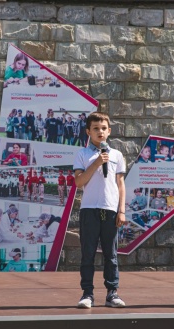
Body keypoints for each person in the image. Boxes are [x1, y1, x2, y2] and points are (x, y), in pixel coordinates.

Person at [73, 112, 126, 309]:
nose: (100, 132)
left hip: (110, 209)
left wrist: (121, 210)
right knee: (88, 254)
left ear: (109, 131)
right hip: (89, 210)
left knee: (111, 254)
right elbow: (79, 182)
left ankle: (112, 293)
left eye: (103, 128)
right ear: (88, 132)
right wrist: (96, 163)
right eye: (95, 128)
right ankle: (87, 294)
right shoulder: (82, 154)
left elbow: (120, 184)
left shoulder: (116, 155)